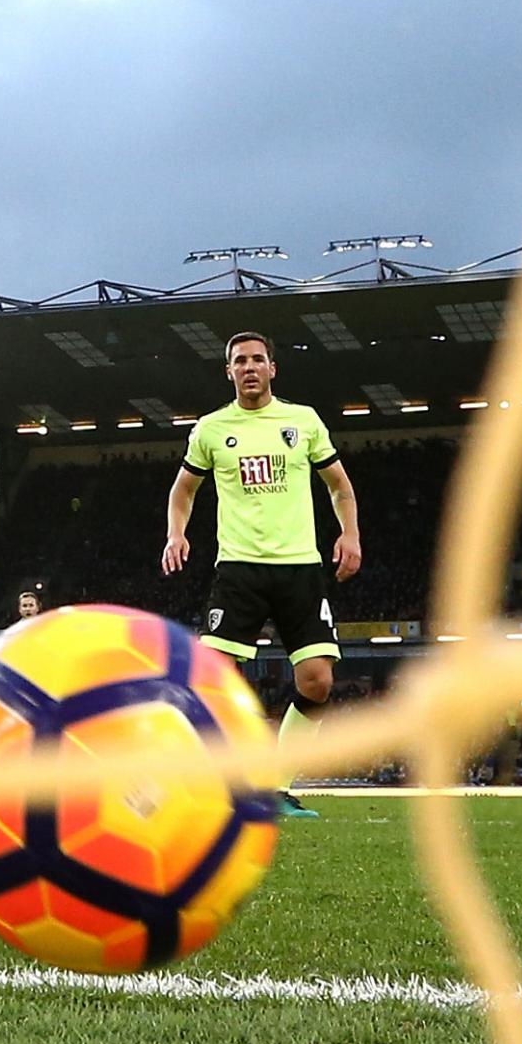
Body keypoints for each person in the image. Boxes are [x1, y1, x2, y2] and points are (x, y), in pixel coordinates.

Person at [162, 330, 361, 820]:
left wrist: (349, 534)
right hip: (238, 570)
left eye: (257, 360)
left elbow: (339, 486)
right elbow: (182, 490)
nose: (249, 368)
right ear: (228, 372)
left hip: (300, 569)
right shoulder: (210, 429)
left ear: (273, 368)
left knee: (317, 681)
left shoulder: (303, 421)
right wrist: (176, 534)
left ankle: (276, 788)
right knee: (209, 678)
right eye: (239, 362)